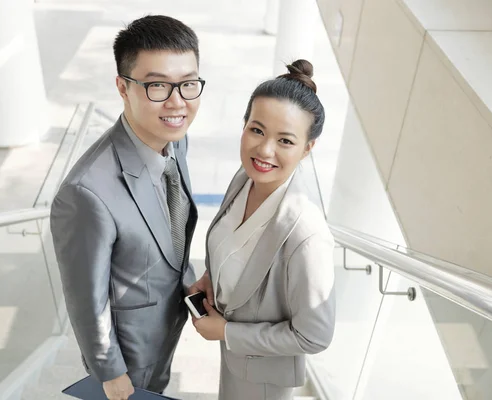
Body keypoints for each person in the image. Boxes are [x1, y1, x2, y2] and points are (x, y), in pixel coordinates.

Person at [50, 15, 203, 400]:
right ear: (122, 86)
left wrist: (194, 293)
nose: (177, 102)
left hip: (166, 328)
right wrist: (110, 372)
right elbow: (86, 298)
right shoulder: (86, 193)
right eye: (157, 86)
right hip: (128, 354)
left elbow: (172, 231)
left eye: (188, 84)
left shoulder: (175, 141)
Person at [189, 59, 336, 400]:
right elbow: (234, 248)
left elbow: (314, 336)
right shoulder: (245, 179)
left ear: (307, 149)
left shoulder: (307, 236)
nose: (264, 150)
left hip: (265, 383)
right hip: (234, 360)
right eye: (257, 130)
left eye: (285, 141)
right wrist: (213, 279)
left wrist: (227, 332)